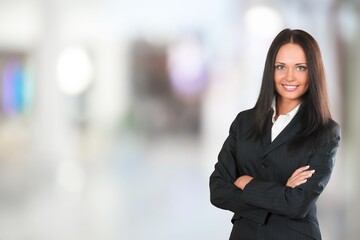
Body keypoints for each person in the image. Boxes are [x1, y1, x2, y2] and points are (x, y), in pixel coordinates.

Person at [209, 28, 341, 240]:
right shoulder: (244, 123)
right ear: (271, 70)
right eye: (281, 67)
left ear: (313, 72)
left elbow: (298, 204)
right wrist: (282, 194)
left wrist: (247, 183)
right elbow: (218, 190)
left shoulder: (325, 132)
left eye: (300, 68)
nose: (290, 76)